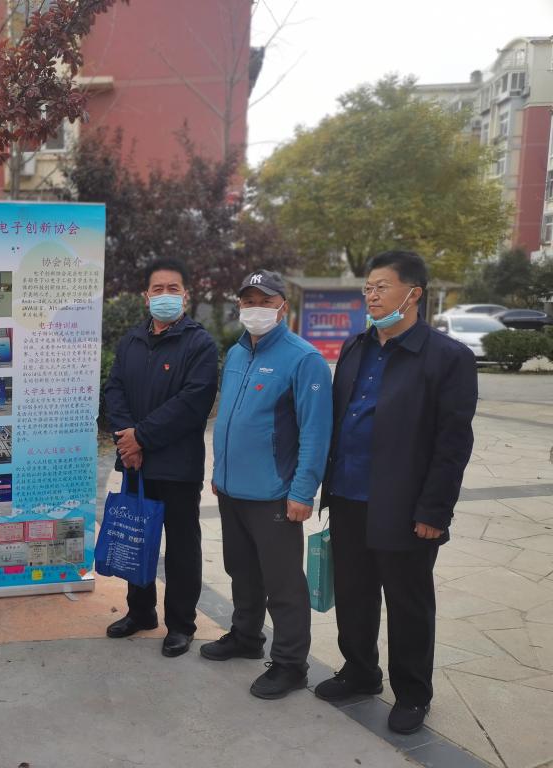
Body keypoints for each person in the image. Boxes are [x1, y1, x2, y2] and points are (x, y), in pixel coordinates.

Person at [314, 251, 477, 735]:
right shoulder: (355, 347)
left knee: (408, 603)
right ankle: (360, 671)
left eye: (381, 286)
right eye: (367, 287)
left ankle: (412, 693)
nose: (371, 295)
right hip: (348, 495)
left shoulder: (447, 358)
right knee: (353, 594)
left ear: (414, 294)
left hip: (405, 506)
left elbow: (453, 443)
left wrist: (435, 510)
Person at [204, 270, 332, 699]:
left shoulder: (304, 359)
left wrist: (302, 492)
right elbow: (230, 418)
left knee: (283, 585)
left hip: (275, 494)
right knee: (241, 570)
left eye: (265, 301)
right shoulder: (237, 352)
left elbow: (315, 432)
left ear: (283, 307)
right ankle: (245, 636)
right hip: (232, 489)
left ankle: (291, 664)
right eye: (248, 301)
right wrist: (220, 472)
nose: (255, 308)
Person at [103, 258, 219, 657]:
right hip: (135, 464)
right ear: (145, 296)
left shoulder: (199, 344)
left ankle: (181, 624)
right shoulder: (132, 341)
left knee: (182, 548)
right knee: (137, 537)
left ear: (186, 295)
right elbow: (115, 389)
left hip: (178, 467)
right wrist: (127, 440)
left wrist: (141, 437)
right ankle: (140, 612)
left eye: (173, 289)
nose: (165, 295)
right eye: (158, 289)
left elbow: (192, 403)